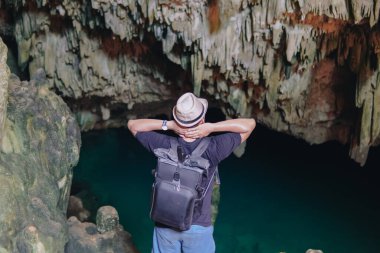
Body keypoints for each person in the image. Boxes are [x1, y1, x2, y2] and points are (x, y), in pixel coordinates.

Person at [127, 92, 256, 253]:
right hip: (198, 228)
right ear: (201, 121)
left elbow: (133, 125)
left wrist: (170, 125)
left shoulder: (163, 144)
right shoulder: (213, 148)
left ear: (178, 120)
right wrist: (212, 127)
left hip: (165, 223)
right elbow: (249, 125)